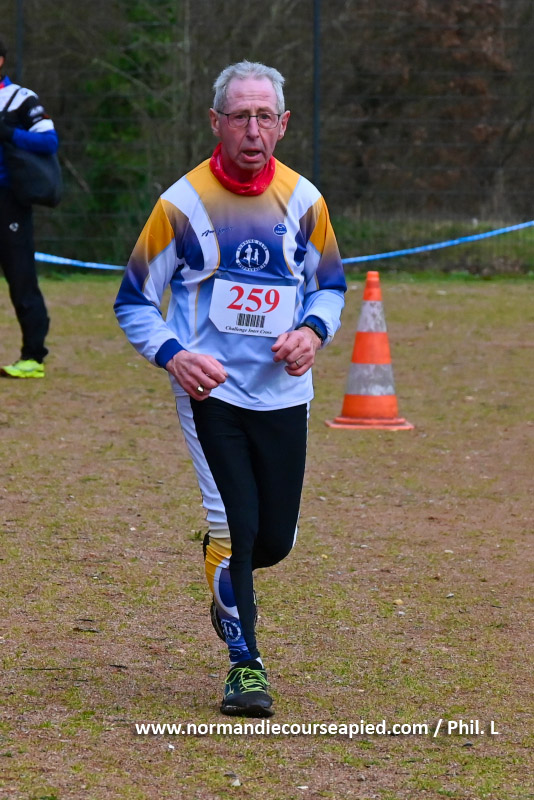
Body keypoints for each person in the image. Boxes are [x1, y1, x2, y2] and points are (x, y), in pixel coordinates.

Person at [114, 60, 346, 717]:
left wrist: (312, 332)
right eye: (239, 116)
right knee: (234, 525)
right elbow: (134, 300)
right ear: (215, 121)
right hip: (210, 393)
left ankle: (225, 566)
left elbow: (329, 287)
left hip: (283, 393)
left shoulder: (305, 201)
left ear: (283, 124)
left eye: (264, 116)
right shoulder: (181, 204)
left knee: (273, 541)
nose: (252, 129)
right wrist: (174, 355)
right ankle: (245, 668)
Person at [0, 38, 58, 379]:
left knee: (21, 279)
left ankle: (33, 356)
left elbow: (48, 141)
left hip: (9, 202)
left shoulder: (20, 99)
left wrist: (8, 134)